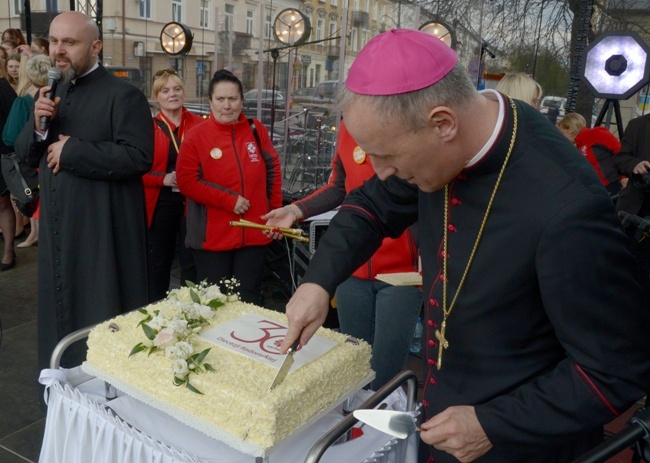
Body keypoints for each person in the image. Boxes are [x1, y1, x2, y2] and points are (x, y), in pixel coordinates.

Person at [279, 29, 650, 462]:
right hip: (441, 414)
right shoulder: (442, 141)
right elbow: (370, 206)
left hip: (515, 441)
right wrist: (317, 283)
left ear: (443, 123)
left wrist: (494, 425)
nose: (379, 172)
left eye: (386, 156)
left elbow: (613, 372)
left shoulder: (566, 208)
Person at [14, 12, 153, 384]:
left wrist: (73, 151)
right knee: (58, 321)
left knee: (100, 317)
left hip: (102, 233)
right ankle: (60, 394)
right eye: (54, 41)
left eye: (69, 43)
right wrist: (39, 127)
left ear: (95, 47)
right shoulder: (52, 91)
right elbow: (23, 151)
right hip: (61, 231)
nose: (58, 51)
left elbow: (139, 156)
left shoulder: (124, 95)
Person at [263, 121, 421, 390]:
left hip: (401, 271)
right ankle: (351, 426)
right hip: (350, 268)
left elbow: (424, 193)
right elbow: (338, 187)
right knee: (351, 361)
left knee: (384, 371)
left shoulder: (408, 124)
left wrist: (429, 251)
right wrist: (295, 211)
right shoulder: (347, 128)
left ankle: (377, 425)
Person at [176, 69, 282, 304]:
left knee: (248, 300)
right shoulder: (196, 136)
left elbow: (273, 170)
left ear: (242, 100)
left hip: (254, 233)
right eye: (220, 99)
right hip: (212, 239)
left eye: (233, 99)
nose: (227, 106)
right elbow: (187, 182)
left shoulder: (256, 130)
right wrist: (228, 199)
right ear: (210, 101)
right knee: (214, 303)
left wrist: (275, 213)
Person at [144, 69, 203, 302]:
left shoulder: (200, 125)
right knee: (159, 261)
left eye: (177, 89)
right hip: (162, 202)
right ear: (156, 97)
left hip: (194, 201)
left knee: (192, 262)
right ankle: (155, 311)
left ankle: (192, 310)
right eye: (165, 90)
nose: (172, 94)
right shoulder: (147, 128)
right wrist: (162, 178)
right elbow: (134, 170)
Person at [2, 53, 51, 248]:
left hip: (30, 162)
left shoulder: (22, 102)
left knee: (32, 201)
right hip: (52, 160)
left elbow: (9, 137)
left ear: (29, 76)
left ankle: (35, 236)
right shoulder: (59, 97)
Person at [611, 113, 650, 304]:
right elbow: (620, 159)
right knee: (628, 271)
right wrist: (635, 165)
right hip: (635, 213)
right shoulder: (638, 125)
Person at [557, 112, 622, 197]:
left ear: (570, 130)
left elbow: (620, 152)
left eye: (562, 133)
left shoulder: (595, 134)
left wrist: (624, 177)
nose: (561, 137)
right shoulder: (579, 145)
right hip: (599, 188)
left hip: (613, 184)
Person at [0, 48, 17, 270]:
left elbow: (12, 128)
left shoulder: (4, 89)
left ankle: (8, 251)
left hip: (2, 153)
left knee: (3, 203)